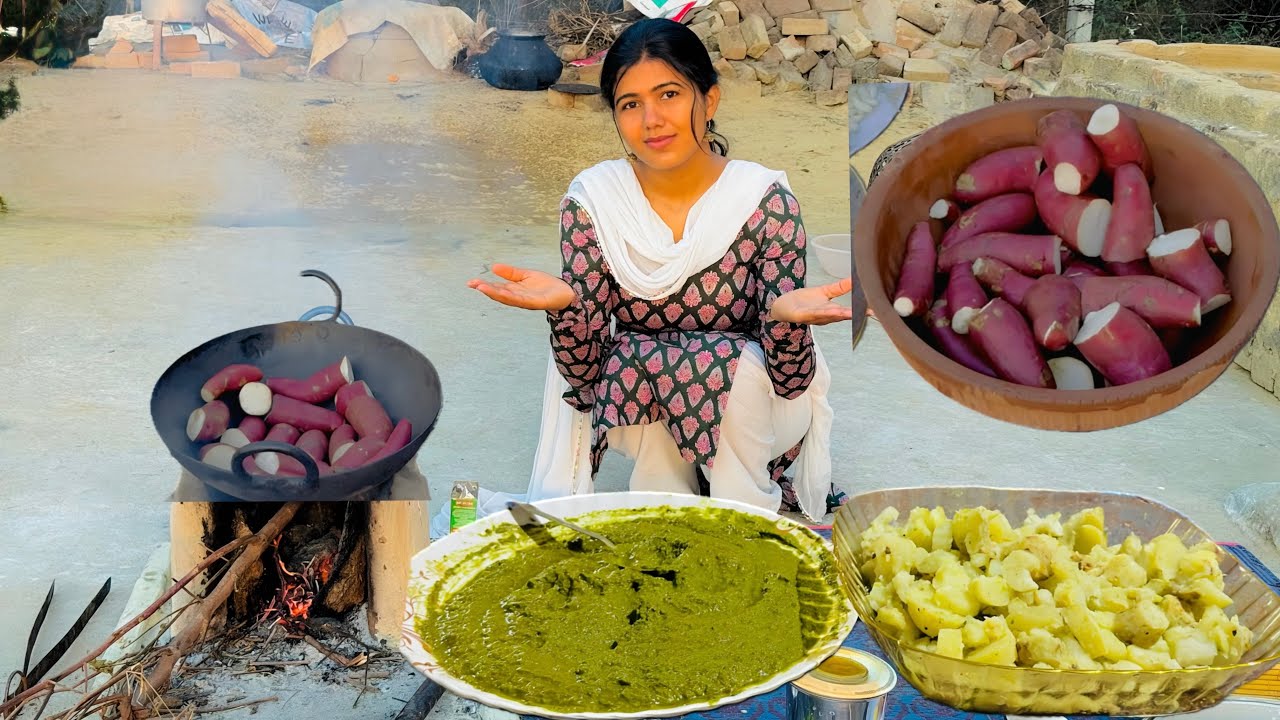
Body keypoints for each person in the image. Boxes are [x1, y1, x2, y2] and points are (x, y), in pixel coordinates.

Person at [467, 17, 858, 522]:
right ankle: (664, 506)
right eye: (630, 104)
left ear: (709, 100)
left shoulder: (763, 201)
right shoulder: (595, 203)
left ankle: (746, 520)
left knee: (730, 365)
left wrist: (783, 318)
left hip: (757, 409)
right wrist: (567, 311)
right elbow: (587, 380)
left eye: (669, 94)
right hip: (643, 408)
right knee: (645, 358)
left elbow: (789, 380)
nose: (651, 119)